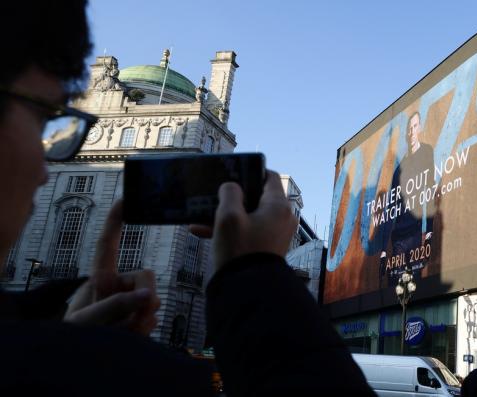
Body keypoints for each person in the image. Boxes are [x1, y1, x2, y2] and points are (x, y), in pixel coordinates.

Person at [0, 1, 375, 396]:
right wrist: (256, 274)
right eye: (43, 120)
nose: (46, 166)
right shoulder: (160, 378)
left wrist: (72, 348)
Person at [388, 111, 435, 284]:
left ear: (420, 128)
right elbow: (390, 211)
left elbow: (429, 193)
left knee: (415, 284)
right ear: (407, 133)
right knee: (397, 286)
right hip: (399, 238)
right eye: (410, 128)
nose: (412, 131)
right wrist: (385, 252)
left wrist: (429, 232)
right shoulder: (398, 171)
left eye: (415, 126)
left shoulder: (426, 152)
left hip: (415, 234)